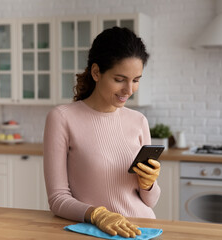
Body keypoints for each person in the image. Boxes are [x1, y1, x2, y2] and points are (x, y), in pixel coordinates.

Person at [43, 27, 161, 238]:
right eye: (119, 79)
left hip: (143, 231)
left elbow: (150, 201)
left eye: (136, 80)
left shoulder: (139, 121)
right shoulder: (62, 118)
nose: (129, 90)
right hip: (95, 233)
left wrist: (149, 184)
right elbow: (57, 199)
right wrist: (97, 214)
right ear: (96, 72)